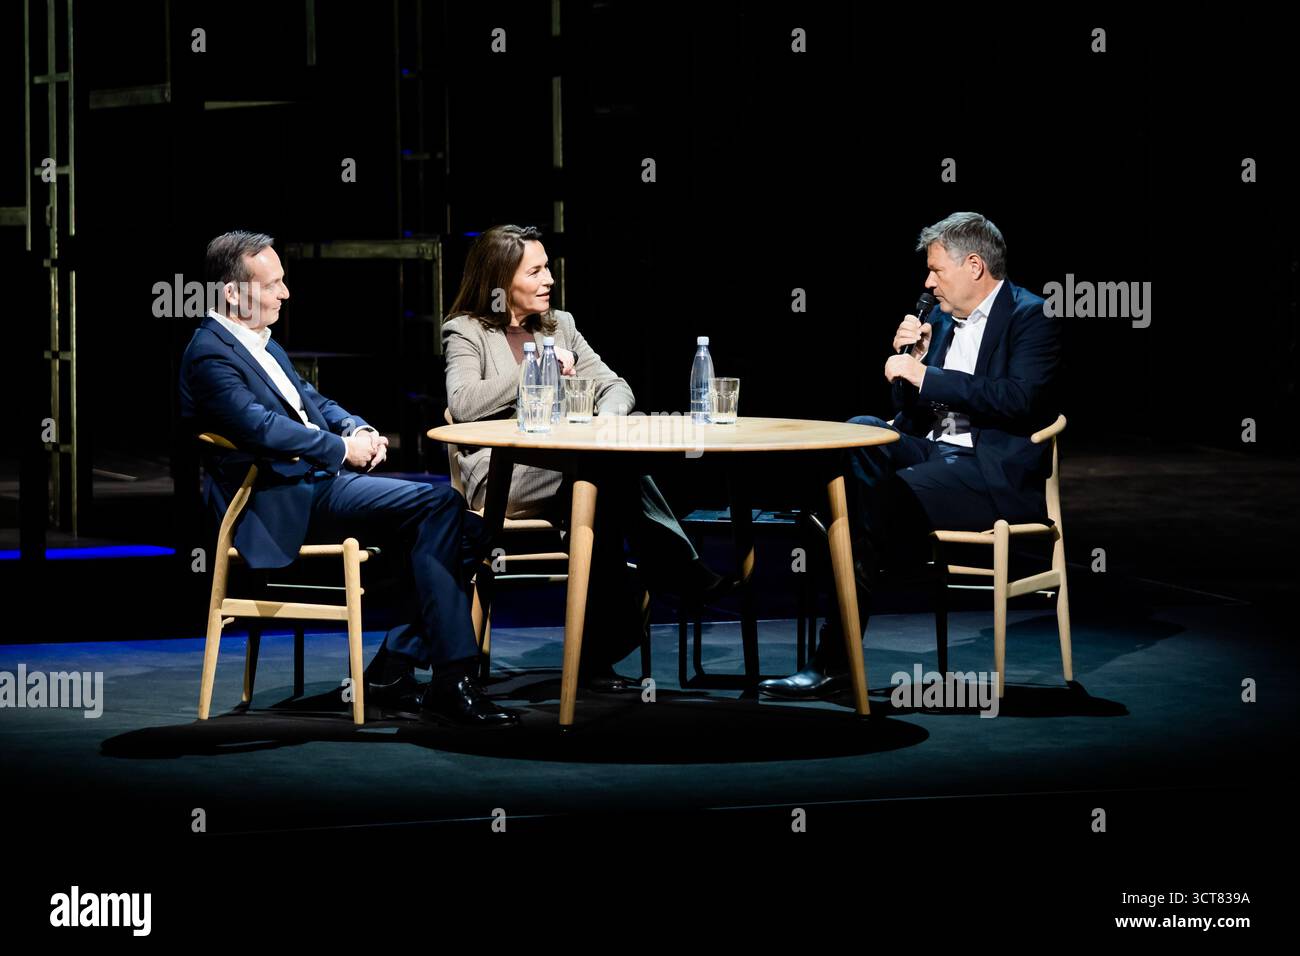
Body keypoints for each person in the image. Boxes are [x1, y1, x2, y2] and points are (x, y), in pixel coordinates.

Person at [179, 230, 517, 727]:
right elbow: (262, 428)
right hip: (278, 501)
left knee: (471, 529)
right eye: (272, 284)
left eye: (283, 282)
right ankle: (451, 678)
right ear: (231, 292)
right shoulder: (210, 353)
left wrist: (355, 427)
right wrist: (343, 450)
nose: (285, 293)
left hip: (314, 487)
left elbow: (311, 403)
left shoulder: (260, 346)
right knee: (443, 506)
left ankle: (394, 669)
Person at [759, 212, 1061, 698]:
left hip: (987, 473)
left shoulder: (1031, 316)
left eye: (937, 270)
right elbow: (910, 414)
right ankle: (847, 546)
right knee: (861, 432)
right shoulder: (941, 320)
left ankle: (835, 657)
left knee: (857, 511)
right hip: (935, 453)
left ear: (975, 266)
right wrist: (912, 368)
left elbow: (1018, 400)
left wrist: (928, 377)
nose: (928, 281)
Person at [441, 224, 733, 689]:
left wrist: (604, 420)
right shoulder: (468, 331)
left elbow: (618, 387)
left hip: (570, 469)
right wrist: (533, 370)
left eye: (548, 268)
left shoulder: (562, 325)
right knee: (609, 473)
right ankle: (677, 566)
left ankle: (595, 658)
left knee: (607, 496)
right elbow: (463, 403)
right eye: (534, 271)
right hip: (500, 476)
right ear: (500, 281)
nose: (549, 279)